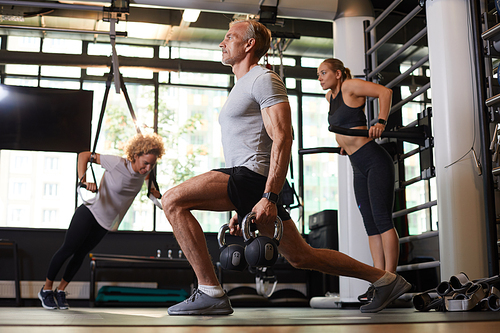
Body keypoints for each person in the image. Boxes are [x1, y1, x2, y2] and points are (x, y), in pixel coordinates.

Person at [161, 19, 410, 316]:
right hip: (248, 183)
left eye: (230, 37)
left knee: (172, 200)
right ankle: (385, 280)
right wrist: (240, 210)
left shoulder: (263, 79)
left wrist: (270, 196)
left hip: (252, 178)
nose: (222, 42)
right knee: (303, 256)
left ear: (249, 44)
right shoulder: (241, 84)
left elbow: (283, 137)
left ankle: (210, 291)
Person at [38, 133, 165, 310]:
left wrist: (156, 195)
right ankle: (46, 289)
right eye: (145, 163)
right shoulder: (117, 163)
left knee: (80, 254)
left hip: (105, 222)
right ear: (136, 156)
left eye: (152, 164)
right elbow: (84, 155)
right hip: (90, 212)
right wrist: (83, 179)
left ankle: (60, 291)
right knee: (68, 249)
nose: (148, 167)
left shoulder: (146, 173)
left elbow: (149, 187)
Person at [317, 58, 400, 302]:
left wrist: (381, 121)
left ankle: (392, 280)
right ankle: (379, 280)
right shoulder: (329, 98)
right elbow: (341, 128)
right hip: (357, 165)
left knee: (383, 220)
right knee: (370, 224)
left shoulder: (350, 87)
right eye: (318, 74)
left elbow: (385, 92)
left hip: (374, 161)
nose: (320, 78)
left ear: (338, 74)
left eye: (323, 73)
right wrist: (342, 145)